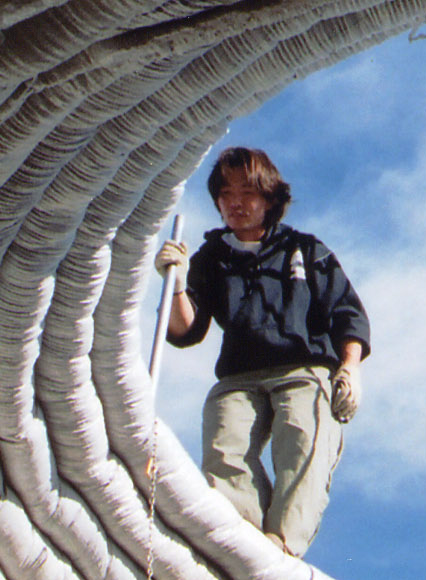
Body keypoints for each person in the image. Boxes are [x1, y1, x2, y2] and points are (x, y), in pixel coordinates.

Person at [157, 147, 370, 557]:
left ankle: (283, 546)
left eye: (247, 192)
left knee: (302, 438)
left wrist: (350, 369)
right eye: (225, 193)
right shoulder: (211, 259)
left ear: (269, 198)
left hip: (303, 368)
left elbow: (347, 312)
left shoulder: (306, 250)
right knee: (224, 444)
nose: (235, 202)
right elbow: (186, 330)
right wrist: (178, 284)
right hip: (240, 376)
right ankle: (245, 547)